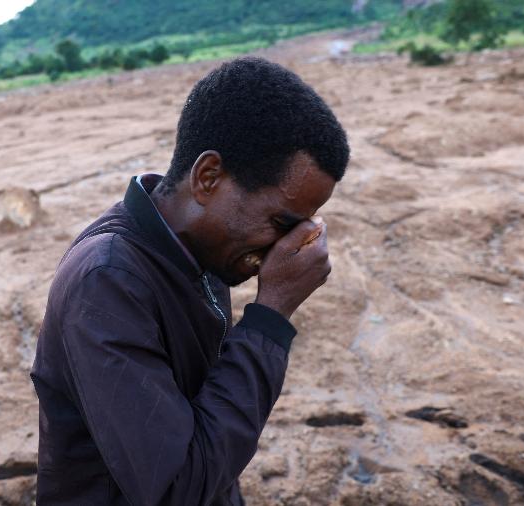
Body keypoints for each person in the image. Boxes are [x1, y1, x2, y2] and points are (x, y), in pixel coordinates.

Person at [30, 56, 350, 505]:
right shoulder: (106, 281)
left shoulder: (197, 252)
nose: (285, 245)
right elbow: (177, 487)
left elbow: (203, 429)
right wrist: (271, 316)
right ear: (208, 177)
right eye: (281, 221)